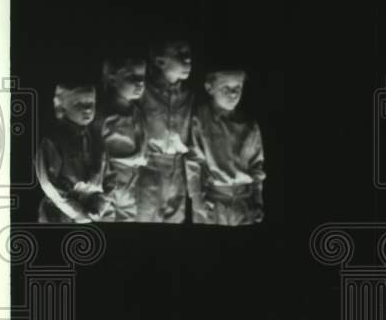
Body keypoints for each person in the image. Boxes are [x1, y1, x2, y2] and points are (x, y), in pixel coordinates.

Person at [188, 69, 265, 226]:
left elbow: (257, 166)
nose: (233, 94)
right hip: (213, 202)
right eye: (226, 88)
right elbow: (193, 162)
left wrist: (258, 199)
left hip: (244, 202)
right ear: (210, 88)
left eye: (238, 88)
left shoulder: (250, 126)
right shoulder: (200, 119)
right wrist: (196, 198)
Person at [135, 38, 194, 223]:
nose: (188, 59)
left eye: (189, 54)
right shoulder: (143, 92)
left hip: (179, 172)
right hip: (148, 169)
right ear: (160, 60)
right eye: (179, 53)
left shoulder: (190, 96)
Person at [35, 82, 111, 223]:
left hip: (93, 211)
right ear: (61, 107)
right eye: (79, 104)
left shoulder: (97, 138)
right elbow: (48, 183)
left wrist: (100, 205)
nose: (87, 109)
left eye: (91, 103)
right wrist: (77, 213)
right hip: (60, 213)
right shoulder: (53, 141)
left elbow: (109, 176)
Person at [99, 55, 148, 222]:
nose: (140, 83)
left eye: (142, 78)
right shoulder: (103, 114)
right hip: (108, 181)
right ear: (113, 79)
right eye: (132, 77)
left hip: (131, 181)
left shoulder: (137, 112)